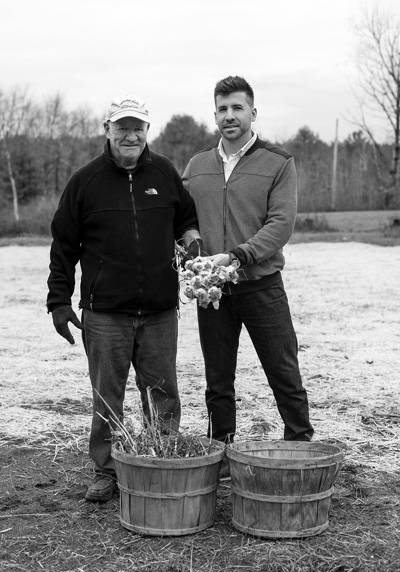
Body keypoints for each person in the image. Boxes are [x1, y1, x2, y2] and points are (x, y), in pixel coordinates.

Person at [47, 94, 202, 501]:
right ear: (107, 130)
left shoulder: (165, 173)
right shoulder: (86, 181)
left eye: (138, 127)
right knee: (107, 396)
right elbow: (63, 245)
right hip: (105, 314)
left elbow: (186, 219)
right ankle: (107, 470)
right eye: (122, 127)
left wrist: (193, 243)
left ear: (147, 131)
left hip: (159, 311)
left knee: (163, 392)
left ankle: (160, 460)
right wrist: (58, 302)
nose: (130, 135)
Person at [182, 76, 314, 474]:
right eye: (222, 109)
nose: (229, 116)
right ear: (215, 115)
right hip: (213, 290)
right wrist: (190, 251)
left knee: (283, 370)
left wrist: (239, 256)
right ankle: (221, 452)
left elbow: (280, 224)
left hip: (261, 286)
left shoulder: (278, 162)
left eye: (237, 108)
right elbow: (184, 220)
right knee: (217, 378)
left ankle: (300, 446)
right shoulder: (197, 166)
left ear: (253, 113)